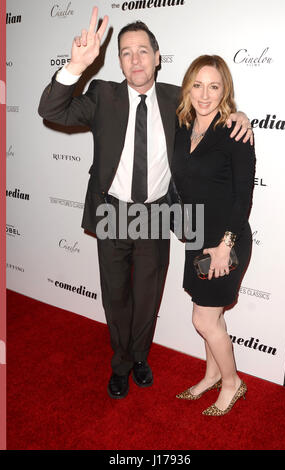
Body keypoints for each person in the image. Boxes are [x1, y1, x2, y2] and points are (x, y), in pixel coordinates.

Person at [38, 7, 253, 400]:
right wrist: (74, 66)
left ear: (157, 56)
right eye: (125, 52)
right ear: (117, 60)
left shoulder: (178, 99)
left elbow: (213, 113)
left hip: (157, 212)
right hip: (113, 211)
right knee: (115, 293)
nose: (135, 59)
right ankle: (119, 363)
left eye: (142, 51)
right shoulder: (102, 95)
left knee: (148, 296)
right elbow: (51, 110)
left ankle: (139, 357)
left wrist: (239, 115)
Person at [172, 55, 255, 415]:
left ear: (225, 92)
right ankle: (211, 375)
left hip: (226, 241)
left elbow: (243, 197)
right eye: (198, 85)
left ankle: (233, 382)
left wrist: (224, 246)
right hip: (195, 238)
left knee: (203, 319)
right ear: (188, 87)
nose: (205, 94)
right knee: (213, 317)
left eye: (214, 86)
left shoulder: (234, 132)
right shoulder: (181, 127)